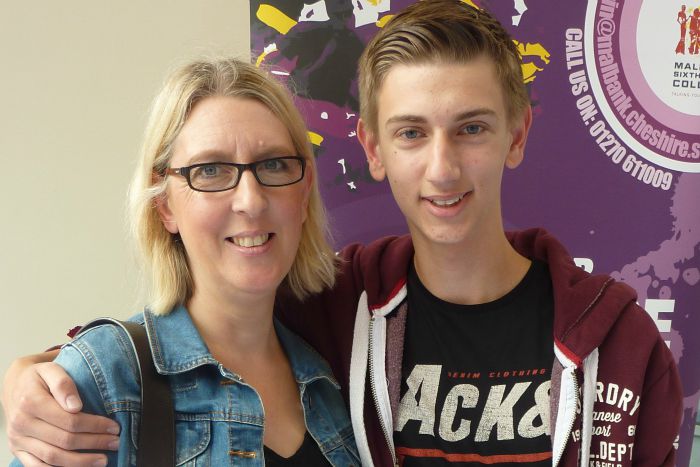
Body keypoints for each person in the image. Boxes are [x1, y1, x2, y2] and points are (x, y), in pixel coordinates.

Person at [3, 1, 682, 466]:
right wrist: (35, 377)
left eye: (471, 128)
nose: (442, 167)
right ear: (371, 147)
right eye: (411, 132)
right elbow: (173, 349)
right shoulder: (340, 305)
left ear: (518, 132)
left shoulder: (620, 342)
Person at [5, 57, 360, 466]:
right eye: (210, 170)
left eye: (274, 165)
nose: (251, 199)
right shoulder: (108, 378)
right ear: (165, 206)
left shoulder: (329, 379)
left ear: (304, 191)